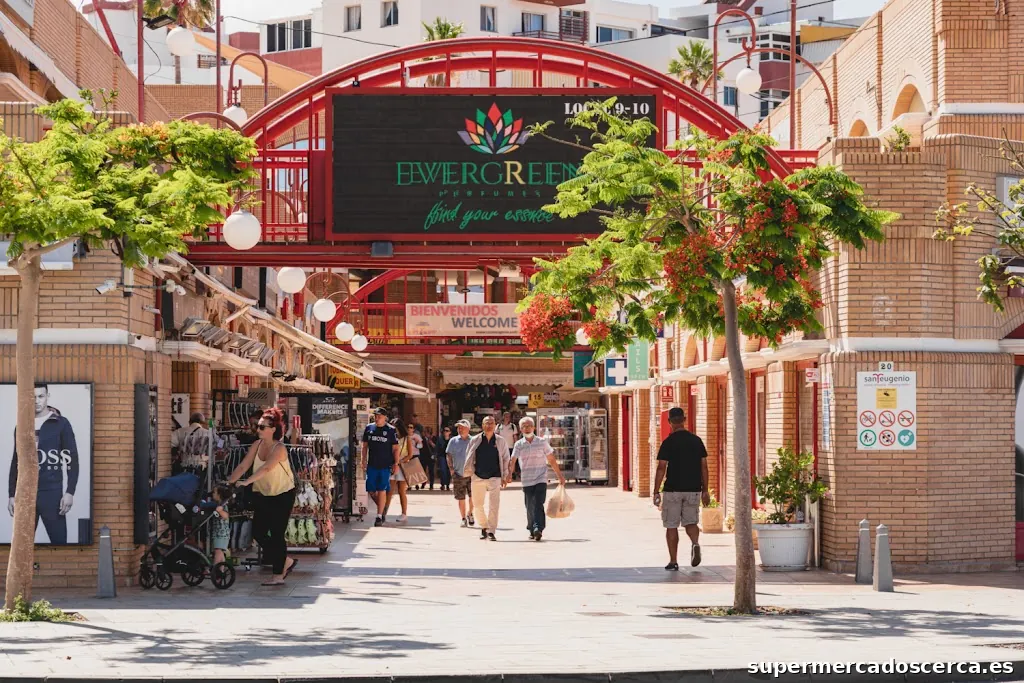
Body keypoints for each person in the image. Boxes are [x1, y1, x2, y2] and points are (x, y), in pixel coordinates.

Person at [228, 407, 298, 586]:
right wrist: (229, 482)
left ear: (273, 429)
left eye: (261, 427)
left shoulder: (279, 448)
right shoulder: (256, 445)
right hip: (263, 493)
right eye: (257, 426)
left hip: (282, 494)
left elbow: (266, 468)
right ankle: (284, 561)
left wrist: (246, 482)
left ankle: (277, 575)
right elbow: (244, 465)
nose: (257, 430)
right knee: (258, 532)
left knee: (276, 533)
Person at [7, 384, 80, 545]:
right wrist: (12, 494)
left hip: (52, 494)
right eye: (33, 397)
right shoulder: (22, 426)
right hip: (26, 494)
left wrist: (70, 492)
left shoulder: (61, 423)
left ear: (48, 396)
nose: (37, 401)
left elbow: (72, 460)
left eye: (41, 396)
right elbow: (16, 461)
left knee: (59, 542)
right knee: (22, 546)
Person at [653, 407, 710, 570]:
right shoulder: (696, 441)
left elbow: (661, 468)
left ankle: (673, 561)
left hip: (673, 490)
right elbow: (704, 467)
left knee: (671, 525)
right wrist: (705, 490)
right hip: (693, 489)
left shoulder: (668, 442)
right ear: (684, 420)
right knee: (691, 522)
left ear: (669, 422)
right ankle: (695, 543)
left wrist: (656, 491)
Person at [508, 416, 565, 541]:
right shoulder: (519, 444)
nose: (527, 428)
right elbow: (513, 460)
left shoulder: (541, 442)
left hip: (541, 478)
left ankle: (538, 529)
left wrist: (559, 475)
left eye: (529, 426)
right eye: (524, 426)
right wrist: (509, 475)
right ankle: (531, 528)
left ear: (533, 427)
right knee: (529, 505)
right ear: (521, 429)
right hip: (527, 479)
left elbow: (551, 459)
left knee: (539, 503)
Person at [465, 416, 511, 541]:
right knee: (477, 504)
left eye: (492, 423)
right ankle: (484, 526)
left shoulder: (500, 441)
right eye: (487, 423)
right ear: (482, 425)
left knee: (494, 505)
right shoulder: (475, 440)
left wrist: (505, 475)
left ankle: (491, 531)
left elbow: (506, 458)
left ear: (495, 425)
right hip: (478, 476)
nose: (489, 425)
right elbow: (468, 457)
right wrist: (469, 472)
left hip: (495, 476)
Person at [360, 407, 399, 527]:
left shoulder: (391, 430)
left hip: (385, 465)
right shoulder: (369, 428)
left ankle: (379, 515)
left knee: (382, 489)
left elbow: (395, 448)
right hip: (372, 464)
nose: (377, 418)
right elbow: (365, 446)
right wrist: (363, 459)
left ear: (385, 418)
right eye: (375, 416)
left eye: (379, 416)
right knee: (371, 489)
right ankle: (383, 508)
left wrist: (396, 464)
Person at [384, 420, 419, 523]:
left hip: (402, 467)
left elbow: (410, 454)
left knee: (401, 491)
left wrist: (400, 461)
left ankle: (404, 513)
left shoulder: (406, 438)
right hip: (392, 466)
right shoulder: (389, 437)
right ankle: (384, 513)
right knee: (389, 491)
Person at [445, 420, 475, 526]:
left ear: (468, 428)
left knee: (473, 497)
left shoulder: (474, 440)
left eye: (462, 427)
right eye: (458, 427)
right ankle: (463, 518)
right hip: (458, 474)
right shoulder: (453, 441)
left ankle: (470, 513)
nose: (459, 429)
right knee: (460, 497)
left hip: (472, 474)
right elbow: (448, 455)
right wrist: (451, 469)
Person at [204, 484, 233, 566]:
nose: (212, 494)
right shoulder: (217, 505)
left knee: (218, 551)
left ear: (219, 495)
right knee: (219, 551)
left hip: (221, 534)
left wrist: (220, 511)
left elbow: (226, 516)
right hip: (217, 533)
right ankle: (221, 569)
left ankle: (215, 567)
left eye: (214, 492)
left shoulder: (223, 506)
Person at [419, 426, 436, 491]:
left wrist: (431, 442)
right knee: (423, 471)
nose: (426, 433)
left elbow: (435, 447)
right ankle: (423, 483)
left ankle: (431, 485)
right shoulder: (422, 438)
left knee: (431, 471)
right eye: (425, 432)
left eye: (428, 432)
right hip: (423, 457)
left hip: (431, 457)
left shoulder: (434, 438)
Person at [436, 425, 453, 491]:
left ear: (450, 432)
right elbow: (437, 448)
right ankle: (443, 484)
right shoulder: (440, 439)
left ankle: (448, 485)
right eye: (444, 431)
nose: (445, 432)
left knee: (448, 471)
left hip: (450, 457)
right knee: (443, 471)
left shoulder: (452, 439)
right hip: (442, 456)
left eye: (447, 431)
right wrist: (436, 455)